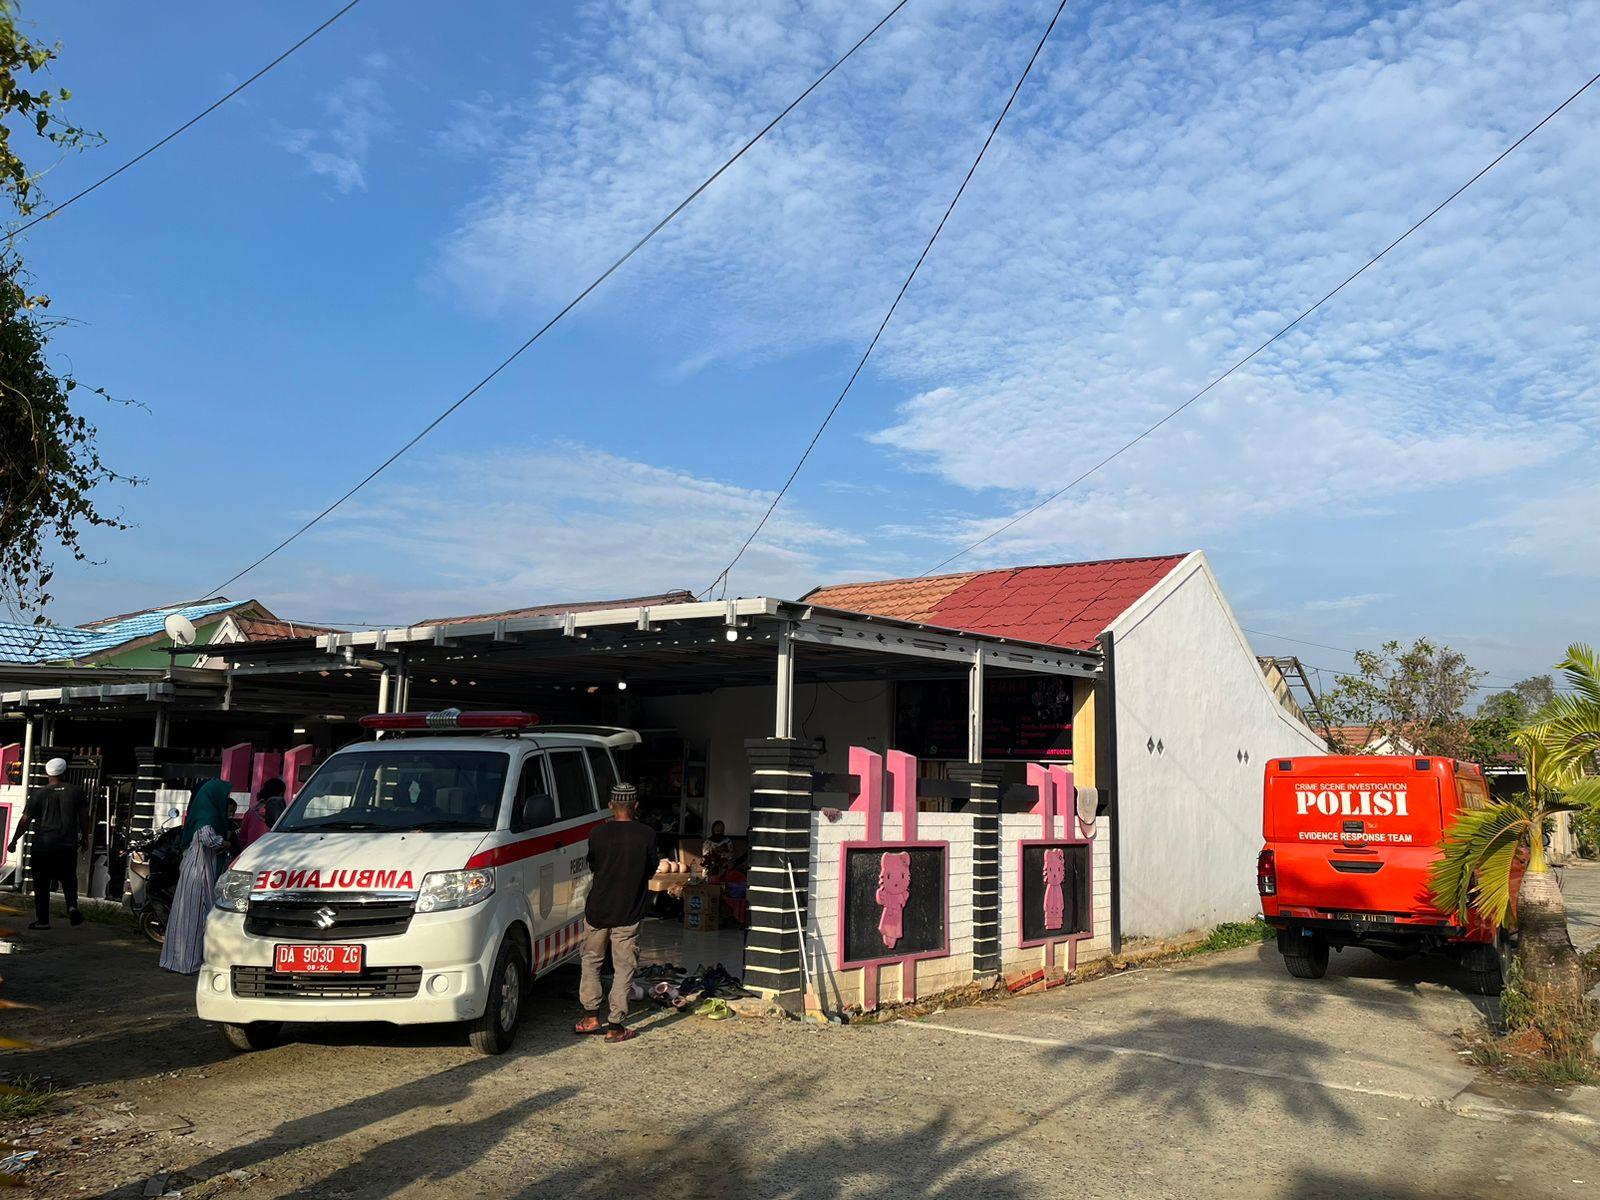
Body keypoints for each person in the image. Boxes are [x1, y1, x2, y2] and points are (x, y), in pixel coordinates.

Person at [574, 782, 658, 1043]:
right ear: (636, 806)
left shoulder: (597, 834)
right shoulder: (646, 835)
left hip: (598, 909)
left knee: (591, 961)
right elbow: (651, 868)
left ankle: (590, 1017)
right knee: (623, 967)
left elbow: (594, 865)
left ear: (610, 805)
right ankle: (615, 1025)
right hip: (629, 911)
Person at [160, 779, 232, 974]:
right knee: (196, 915)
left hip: (195, 868)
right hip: (199, 870)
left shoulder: (201, 813)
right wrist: (226, 844)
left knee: (186, 914)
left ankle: (176, 960)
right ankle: (189, 962)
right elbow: (208, 839)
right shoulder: (207, 815)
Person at [6, 758, 87, 930]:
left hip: (42, 846)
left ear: (46, 774)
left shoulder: (38, 794)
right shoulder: (76, 791)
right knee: (68, 878)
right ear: (65, 772)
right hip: (67, 845)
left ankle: (43, 921)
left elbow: (25, 820)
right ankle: (72, 907)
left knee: (41, 883)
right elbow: (83, 817)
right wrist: (85, 838)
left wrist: (14, 840)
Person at [237, 777, 287, 851]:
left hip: (251, 853)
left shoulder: (251, 812)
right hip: (274, 852)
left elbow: (242, 838)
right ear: (281, 794)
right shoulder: (284, 814)